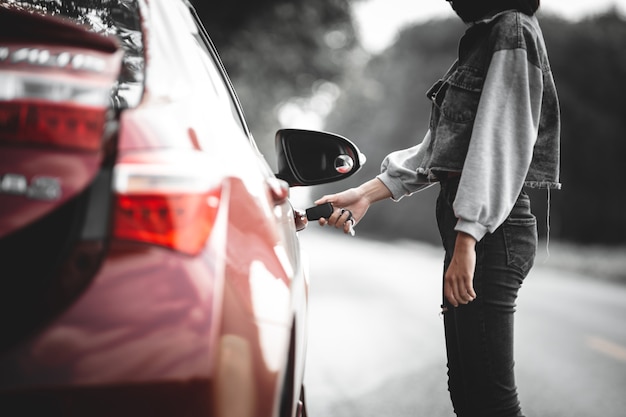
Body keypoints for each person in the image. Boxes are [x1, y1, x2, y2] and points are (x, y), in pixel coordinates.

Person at [313, 0, 560, 416]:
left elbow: (499, 138)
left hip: (491, 231)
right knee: (465, 388)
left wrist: (469, 236)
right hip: (474, 228)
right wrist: (368, 193)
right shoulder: (484, 39)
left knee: (489, 398)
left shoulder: (512, 31)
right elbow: (441, 148)